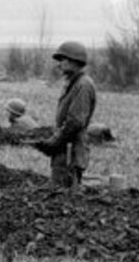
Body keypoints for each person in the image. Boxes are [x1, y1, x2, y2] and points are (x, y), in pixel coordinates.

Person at [34, 41, 97, 187]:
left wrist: (54, 142)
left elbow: (74, 122)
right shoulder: (74, 83)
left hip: (70, 152)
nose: (59, 64)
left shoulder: (83, 85)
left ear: (74, 61)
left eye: (62, 60)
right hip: (64, 151)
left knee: (63, 198)